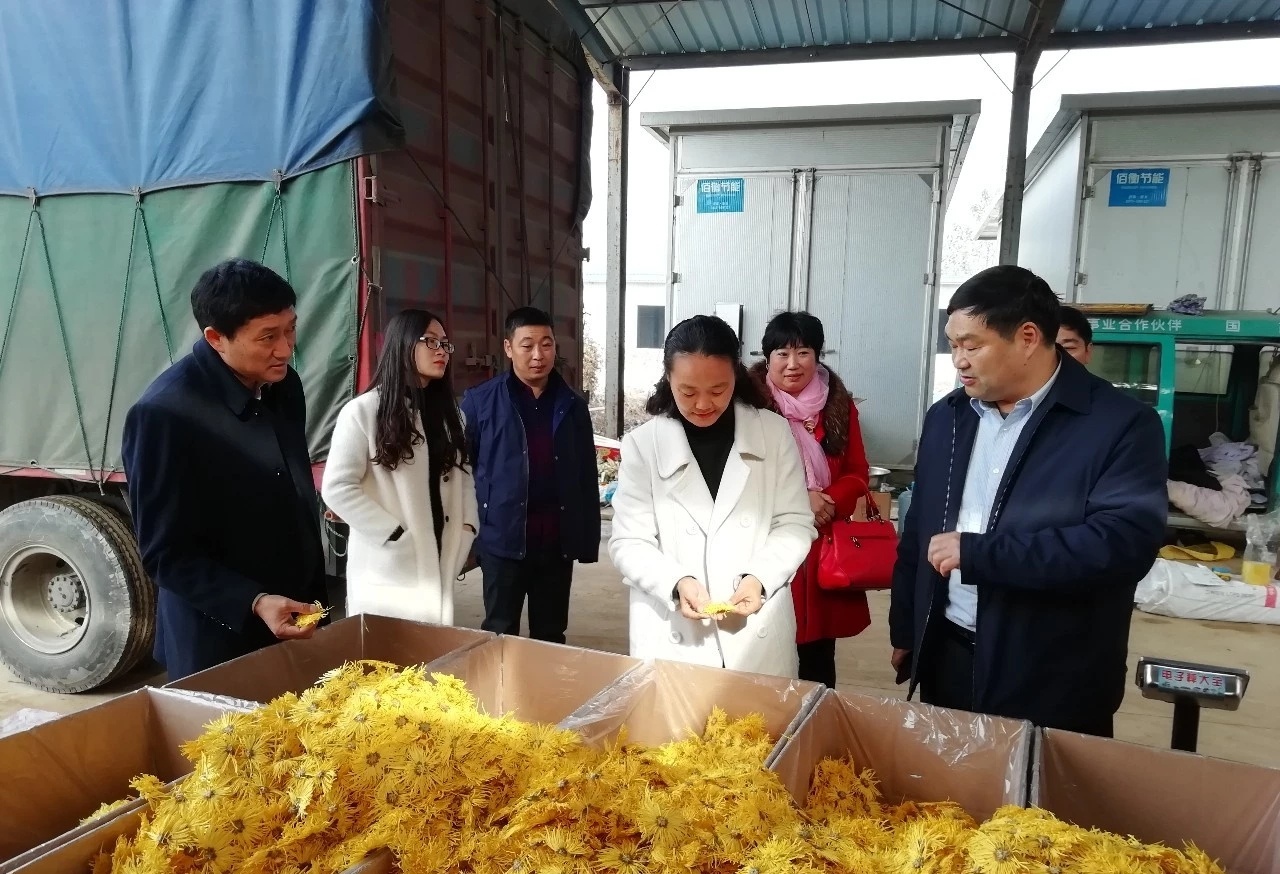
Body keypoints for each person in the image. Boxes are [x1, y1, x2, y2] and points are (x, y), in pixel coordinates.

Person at [888, 265, 1167, 737]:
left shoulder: (1118, 425)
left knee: (1040, 784)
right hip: (948, 654)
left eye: (972, 346)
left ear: (1028, 337)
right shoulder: (948, 418)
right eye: (953, 345)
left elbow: (1124, 544)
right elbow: (919, 530)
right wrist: (907, 628)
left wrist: (982, 554)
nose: (959, 361)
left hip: (1051, 671)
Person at [122, 259, 325, 681]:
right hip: (218, 637)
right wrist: (254, 601)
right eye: (268, 337)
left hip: (293, 618)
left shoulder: (284, 386)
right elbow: (165, 555)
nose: (286, 348)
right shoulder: (164, 414)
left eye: (290, 329)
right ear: (216, 338)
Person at [610, 315, 816, 678]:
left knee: (758, 714)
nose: (703, 404)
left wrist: (760, 578)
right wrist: (676, 583)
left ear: (736, 375)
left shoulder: (772, 433)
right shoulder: (643, 446)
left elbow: (795, 523)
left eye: (718, 390)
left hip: (756, 631)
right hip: (675, 636)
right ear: (668, 378)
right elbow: (629, 541)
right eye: (688, 391)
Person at [321, 309, 477, 624]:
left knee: (431, 649)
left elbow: (464, 478)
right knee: (387, 650)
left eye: (445, 344)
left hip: (441, 554)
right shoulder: (363, 412)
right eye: (430, 341)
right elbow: (337, 487)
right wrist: (393, 534)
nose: (441, 351)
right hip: (388, 566)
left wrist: (467, 528)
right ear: (403, 344)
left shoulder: (452, 416)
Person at [461, 307, 600, 644]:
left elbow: (586, 476)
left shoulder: (572, 405)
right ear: (508, 348)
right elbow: (463, 472)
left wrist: (586, 540)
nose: (538, 355)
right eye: (527, 345)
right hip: (502, 543)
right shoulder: (480, 403)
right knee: (499, 633)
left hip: (555, 545)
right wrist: (469, 537)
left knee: (550, 636)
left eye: (546, 344)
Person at [750, 312, 871, 688]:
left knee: (818, 657)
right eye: (782, 353)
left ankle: (817, 718)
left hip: (822, 547)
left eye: (803, 352)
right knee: (764, 649)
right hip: (766, 543)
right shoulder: (749, 407)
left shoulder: (838, 405)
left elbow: (857, 471)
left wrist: (827, 499)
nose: (792, 363)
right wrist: (799, 501)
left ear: (818, 356)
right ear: (767, 358)